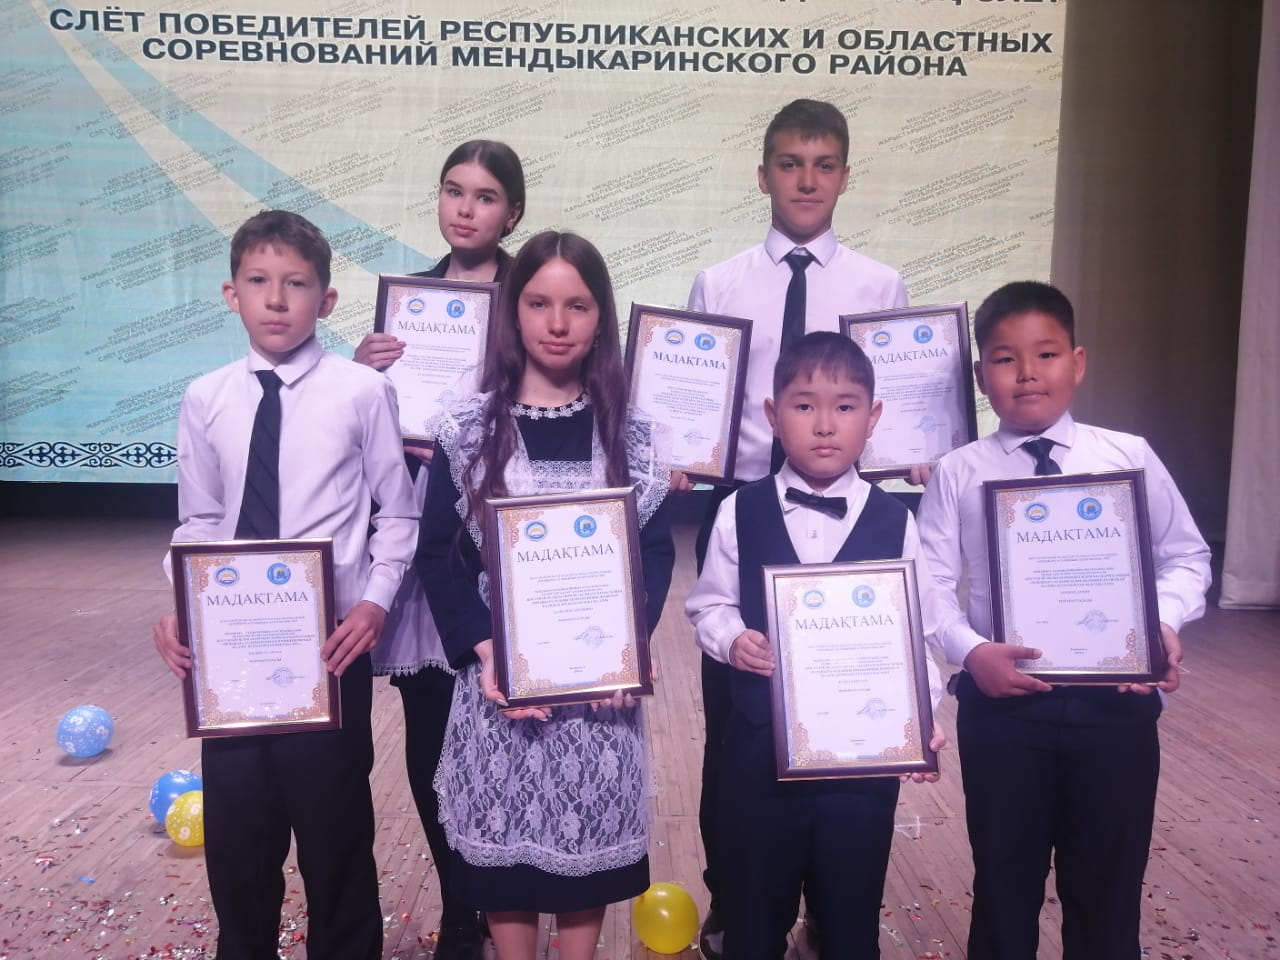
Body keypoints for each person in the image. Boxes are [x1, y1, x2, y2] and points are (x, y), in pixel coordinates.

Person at [915, 281, 1212, 960]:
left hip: (1116, 708)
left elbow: (1186, 557)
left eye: (1045, 354)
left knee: (1108, 891)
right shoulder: (958, 472)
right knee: (1004, 888)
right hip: (1003, 712)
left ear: (1077, 363)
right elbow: (929, 586)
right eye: (1005, 359)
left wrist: (1160, 624)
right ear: (980, 376)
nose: (1027, 373)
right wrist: (972, 652)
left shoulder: (1128, 456)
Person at [152, 210, 418, 959]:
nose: (276, 300)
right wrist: (180, 608)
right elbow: (200, 520)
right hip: (230, 656)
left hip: (328, 650)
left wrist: (375, 602)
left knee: (336, 836)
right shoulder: (205, 398)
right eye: (258, 281)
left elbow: (398, 514)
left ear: (325, 301)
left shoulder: (361, 391)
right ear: (231, 293)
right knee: (239, 841)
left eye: (296, 284)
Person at [681, 97, 911, 958]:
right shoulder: (720, 282)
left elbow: (896, 405)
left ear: (845, 176)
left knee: (847, 707)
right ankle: (738, 899)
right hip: (747, 506)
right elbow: (694, 402)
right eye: (789, 163)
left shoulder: (881, 286)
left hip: (851, 520)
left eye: (823, 165)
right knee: (737, 728)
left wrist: (920, 456)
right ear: (763, 175)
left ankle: (831, 901)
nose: (806, 180)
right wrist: (676, 455)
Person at [416, 230, 676, 960]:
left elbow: (653, 554)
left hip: (597, 694)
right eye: (538, 303)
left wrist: (630, 646)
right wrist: (485, 650)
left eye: (577, 305)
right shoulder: (468, 429)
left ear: (601, 317)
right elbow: (439, 553)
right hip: (501, 687)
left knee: (584, 852)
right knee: (505, 866)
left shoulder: (632, 436)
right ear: (513, 311)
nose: (557, 323)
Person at [685, 331, 945, 959]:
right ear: (773, 416)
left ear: (873, 417)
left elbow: (916, 635)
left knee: (850, 920)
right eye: (804, 406)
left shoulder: (897, 520)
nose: (825, 424)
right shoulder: (739, 511)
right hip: (759, 755)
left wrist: (923, 713)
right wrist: (732, 639)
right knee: (753, 917)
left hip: (860, 766)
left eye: (845, 407)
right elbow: (709, 604)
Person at [354, 138, 526, 959]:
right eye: (454, 190)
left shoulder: (535, 299)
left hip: (506, 533)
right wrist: (359, 372)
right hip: (424, 531)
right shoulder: (407, 306)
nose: (466, 208)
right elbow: (364, 425)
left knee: (507, 724)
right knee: (429, 729)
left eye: (485, 196)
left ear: (512, 213)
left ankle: (513, 897)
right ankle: (462, 908)